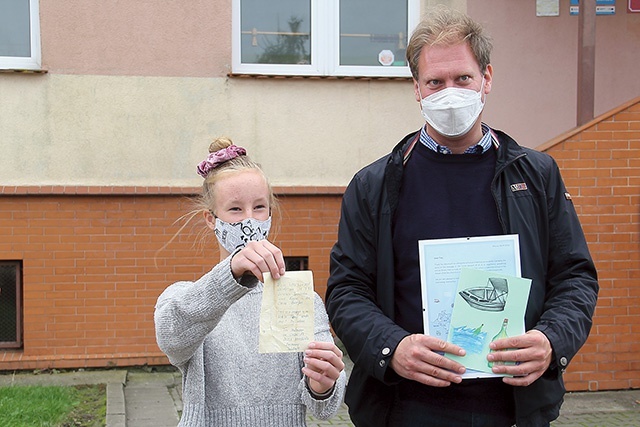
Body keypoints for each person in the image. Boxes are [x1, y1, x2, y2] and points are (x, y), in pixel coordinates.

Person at [325, 7, 598, 427]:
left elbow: (575, 277)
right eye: (435, 82)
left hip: (516, 409)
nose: (448, 92)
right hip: (407, 408)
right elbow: (346, 291)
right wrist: (391, 347)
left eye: (462, 79)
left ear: (486, 78)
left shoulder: (537, 176)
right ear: (416, 88)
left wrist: (551, 340)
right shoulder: (374, 185)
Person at [155, 137, 346, 426]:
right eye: (235, 210)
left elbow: (325, 410)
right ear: (211, 219)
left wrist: (323, 384)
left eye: (259, 207)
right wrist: (231, 272)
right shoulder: (187, 296)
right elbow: (172, 338)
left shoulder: (298, 297)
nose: (250, 220)